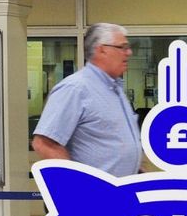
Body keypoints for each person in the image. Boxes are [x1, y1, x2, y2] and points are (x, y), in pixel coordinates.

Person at [32, 22, 142, 177]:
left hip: (122, 192)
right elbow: (43, 144)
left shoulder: (115, 89)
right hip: (95, 196)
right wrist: (82, 188)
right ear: (102, 49)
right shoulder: (76, 88)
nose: (129, 52)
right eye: (122, 47)